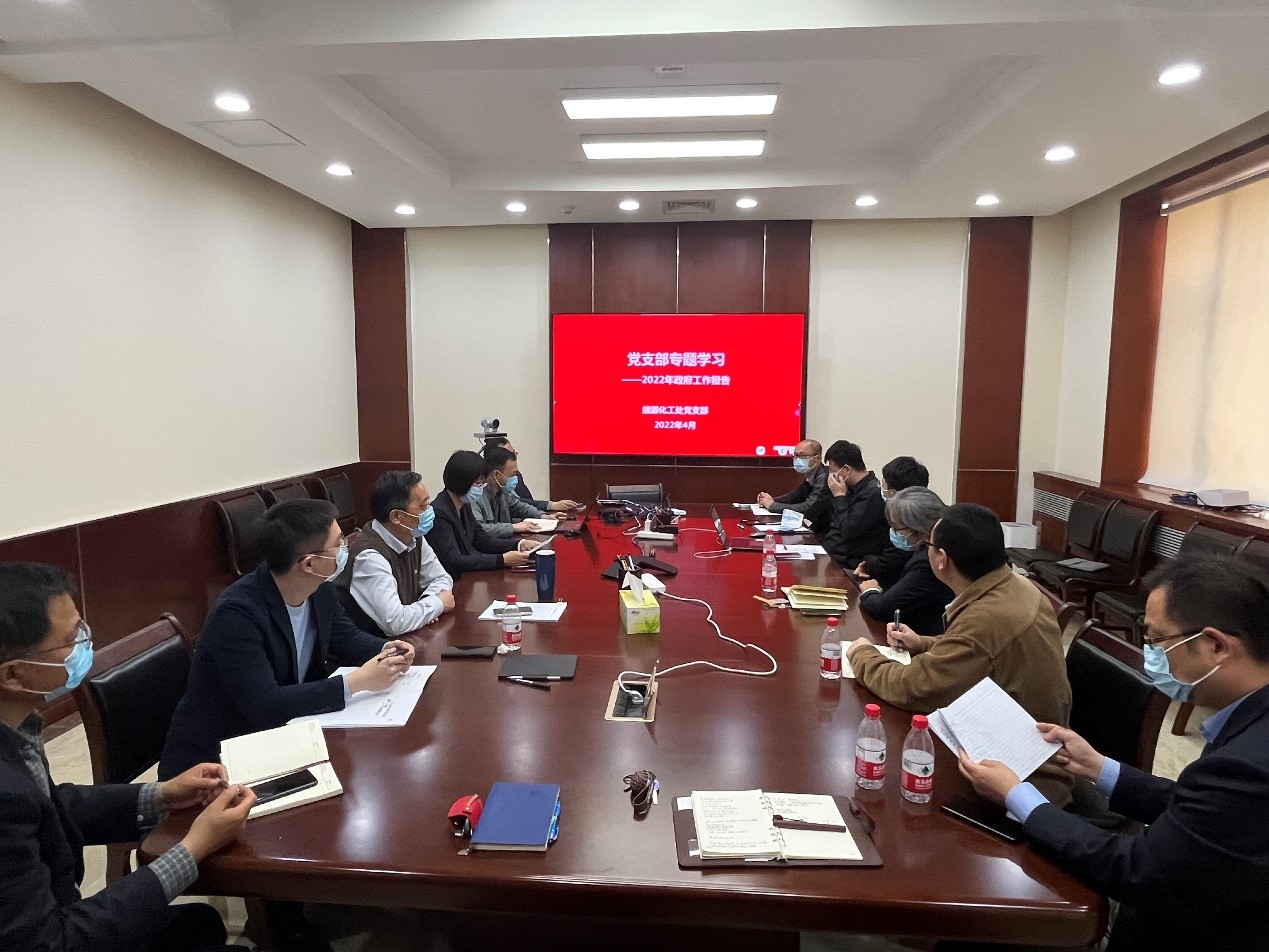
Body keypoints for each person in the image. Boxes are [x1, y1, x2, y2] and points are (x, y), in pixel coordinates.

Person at [959, 554, 1269, 952]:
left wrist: (1018, 796)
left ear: (1216, 646)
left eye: (1157, 641)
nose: (1151, 654)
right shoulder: (1249, 717)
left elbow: (1134, 869)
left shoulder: (1249, 765)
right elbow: (1203, 810)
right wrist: (1098, 767)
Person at [0, 562, 257, 952]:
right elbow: (52, 942)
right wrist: (192, 849)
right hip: (58, 934)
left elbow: (51, 806)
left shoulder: (17, 727)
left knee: (198, 925)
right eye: (70, 640)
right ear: (14, 675)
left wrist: (163, 794)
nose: (85, 644)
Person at [160, 499, 413, 779]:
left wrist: (388, 649)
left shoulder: (319, 589)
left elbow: (345, 637)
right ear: (309, 563)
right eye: (338, 544)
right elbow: (264, 704)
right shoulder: (236, 614)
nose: (346, 549)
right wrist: (356, 682)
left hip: (281, 740)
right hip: (214, 763)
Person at [846, 503, 1073, 804]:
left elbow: (910, 687)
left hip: (1022, 786)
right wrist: (923, 643)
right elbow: (978, 652)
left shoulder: (988, 618)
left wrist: (862, 654)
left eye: (928, 546)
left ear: (942, 559)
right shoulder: (1016, 586)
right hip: (1018, 750)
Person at [333, 470, 455, 637]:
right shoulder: (369, 557)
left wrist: (427, 606)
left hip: (407, 638)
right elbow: (394, 622)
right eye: (423, 507)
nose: (429, 511)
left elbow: (441, 578)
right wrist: (437, 604)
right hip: (375, 646)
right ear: (397, 516)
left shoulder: (413, 535)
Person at [426, 450, 536, 581]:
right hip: (452, 582)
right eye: (478, 484)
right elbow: (454, 560)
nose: (481, 488)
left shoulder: (464, 506)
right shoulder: (440, 514)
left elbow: (483, 541)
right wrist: (502, 560)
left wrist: (519, 545)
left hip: (467, 578)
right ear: (461, 482)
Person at [856, 487, 953, 635]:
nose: (894, 532)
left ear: (916, 529)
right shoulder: (923, 547)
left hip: (922, 635)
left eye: (896, 528)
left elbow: (882, 609)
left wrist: (871, 591)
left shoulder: (929, 562)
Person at [855, 456, 930, 587]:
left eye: (883, 486)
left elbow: (886, 564)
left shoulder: (911, 523)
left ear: (894, 493)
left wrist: (868, 563)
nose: (881, 490)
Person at [470, 445, 572, 538]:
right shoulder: (476, 495)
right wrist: (514, 527)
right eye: (512, 474)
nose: (515, 478)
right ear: (496, 474)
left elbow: (519, 506)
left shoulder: (502, 491)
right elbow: (479, 529)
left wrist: (543, 516)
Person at [818, 440, 888, 569]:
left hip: (849, 564)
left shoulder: (872, 493)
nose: (830, 476)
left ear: (846, 470)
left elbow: (848, 530)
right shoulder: (849, 488)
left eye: (832, 471)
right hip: (831, 555)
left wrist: (839, 496)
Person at [482, 436, 577, 513]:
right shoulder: (482, 491)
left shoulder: (516, 475)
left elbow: (525, 503)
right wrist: (513, 527)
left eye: (514, 453)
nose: (513, 456)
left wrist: (543, 515)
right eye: (508, 453)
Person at [756, 439, 831, 533]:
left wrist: (773, 505)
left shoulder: (824, 477)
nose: (798, 459)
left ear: (817, 458)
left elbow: (809, 508)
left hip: (828, 533)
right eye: (795, 456)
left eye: (803, 456)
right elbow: (794, 497)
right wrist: (769, 500)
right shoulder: (811, 476)